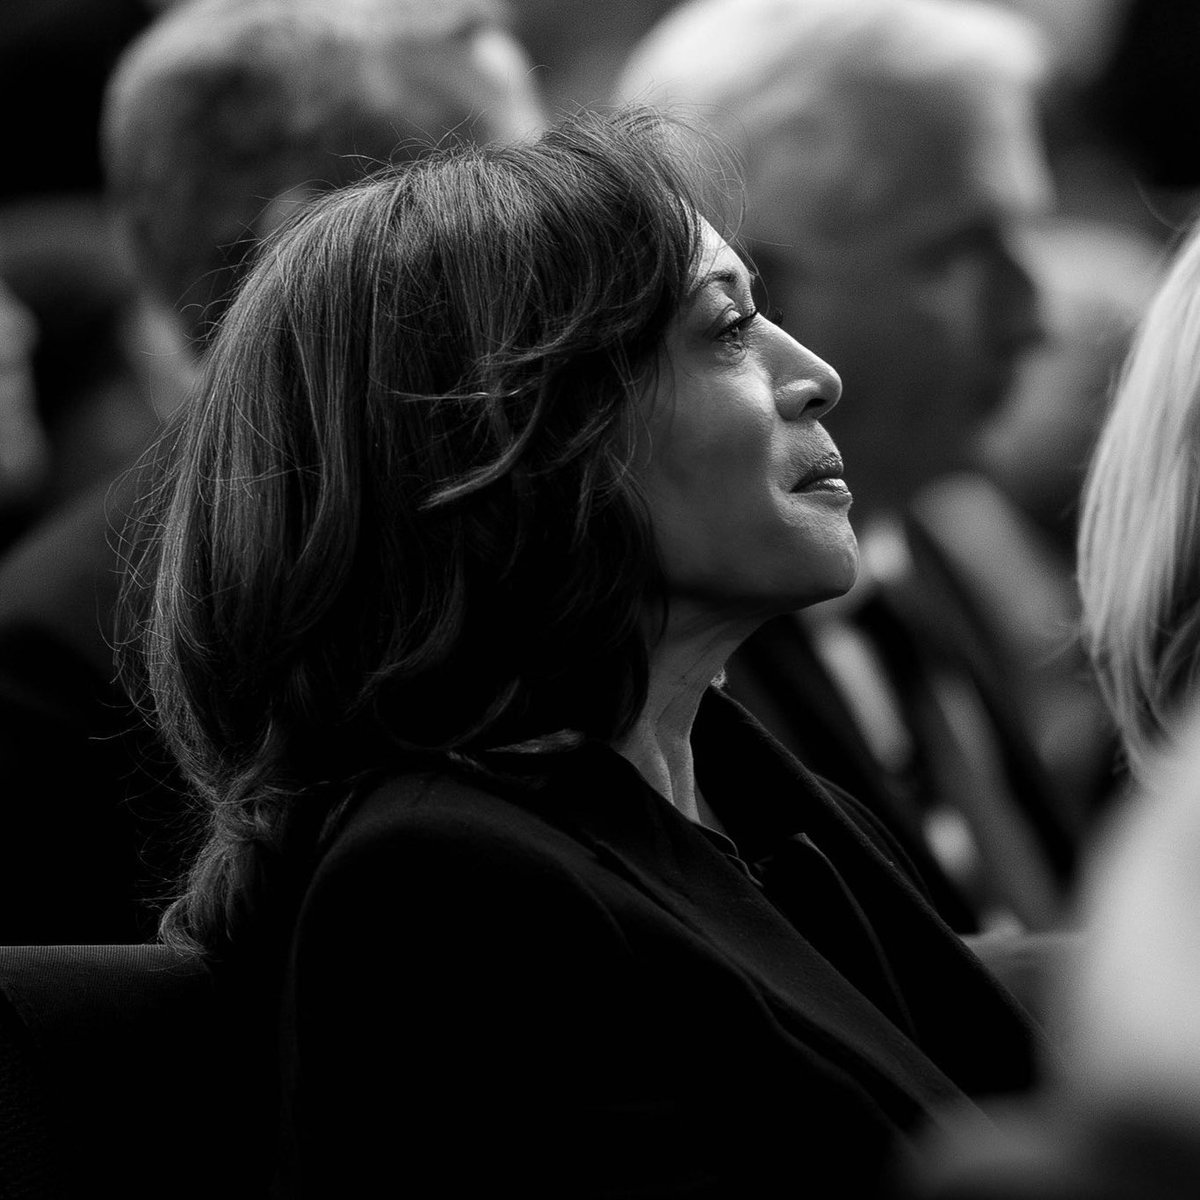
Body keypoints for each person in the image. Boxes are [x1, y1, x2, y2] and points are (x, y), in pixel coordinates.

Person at [118, 107, 1046, 1198]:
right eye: (730, 330)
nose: (816, 375)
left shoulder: (759, 799)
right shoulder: (442, 891)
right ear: (528, 431)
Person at [0, 0, 548, 943]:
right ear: (313, 239)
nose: (572, 251)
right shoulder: (57, 663)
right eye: (513, 190)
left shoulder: (571, 527)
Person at [614, 0, 1114, 943]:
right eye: (961, 249)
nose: (1036, 316)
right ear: (758, 281)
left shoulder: (928, 544)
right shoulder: (670, 663)